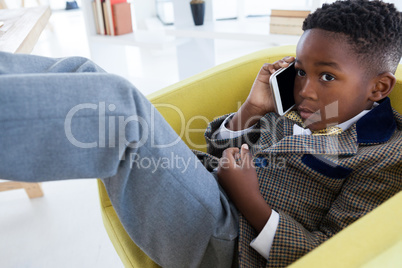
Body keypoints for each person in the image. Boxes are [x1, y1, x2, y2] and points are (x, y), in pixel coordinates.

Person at [0, 0, 401, 267]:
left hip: (230, 244)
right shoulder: (303, 107)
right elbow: (220, 151)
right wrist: (250, 109)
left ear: (379, 87)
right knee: (83, 73)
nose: (305, 88)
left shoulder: (386, 156)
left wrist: (249, 197)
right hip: (204, 190)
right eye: (300, 71)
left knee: (118, 107)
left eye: (327, 76)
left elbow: (333, 254)